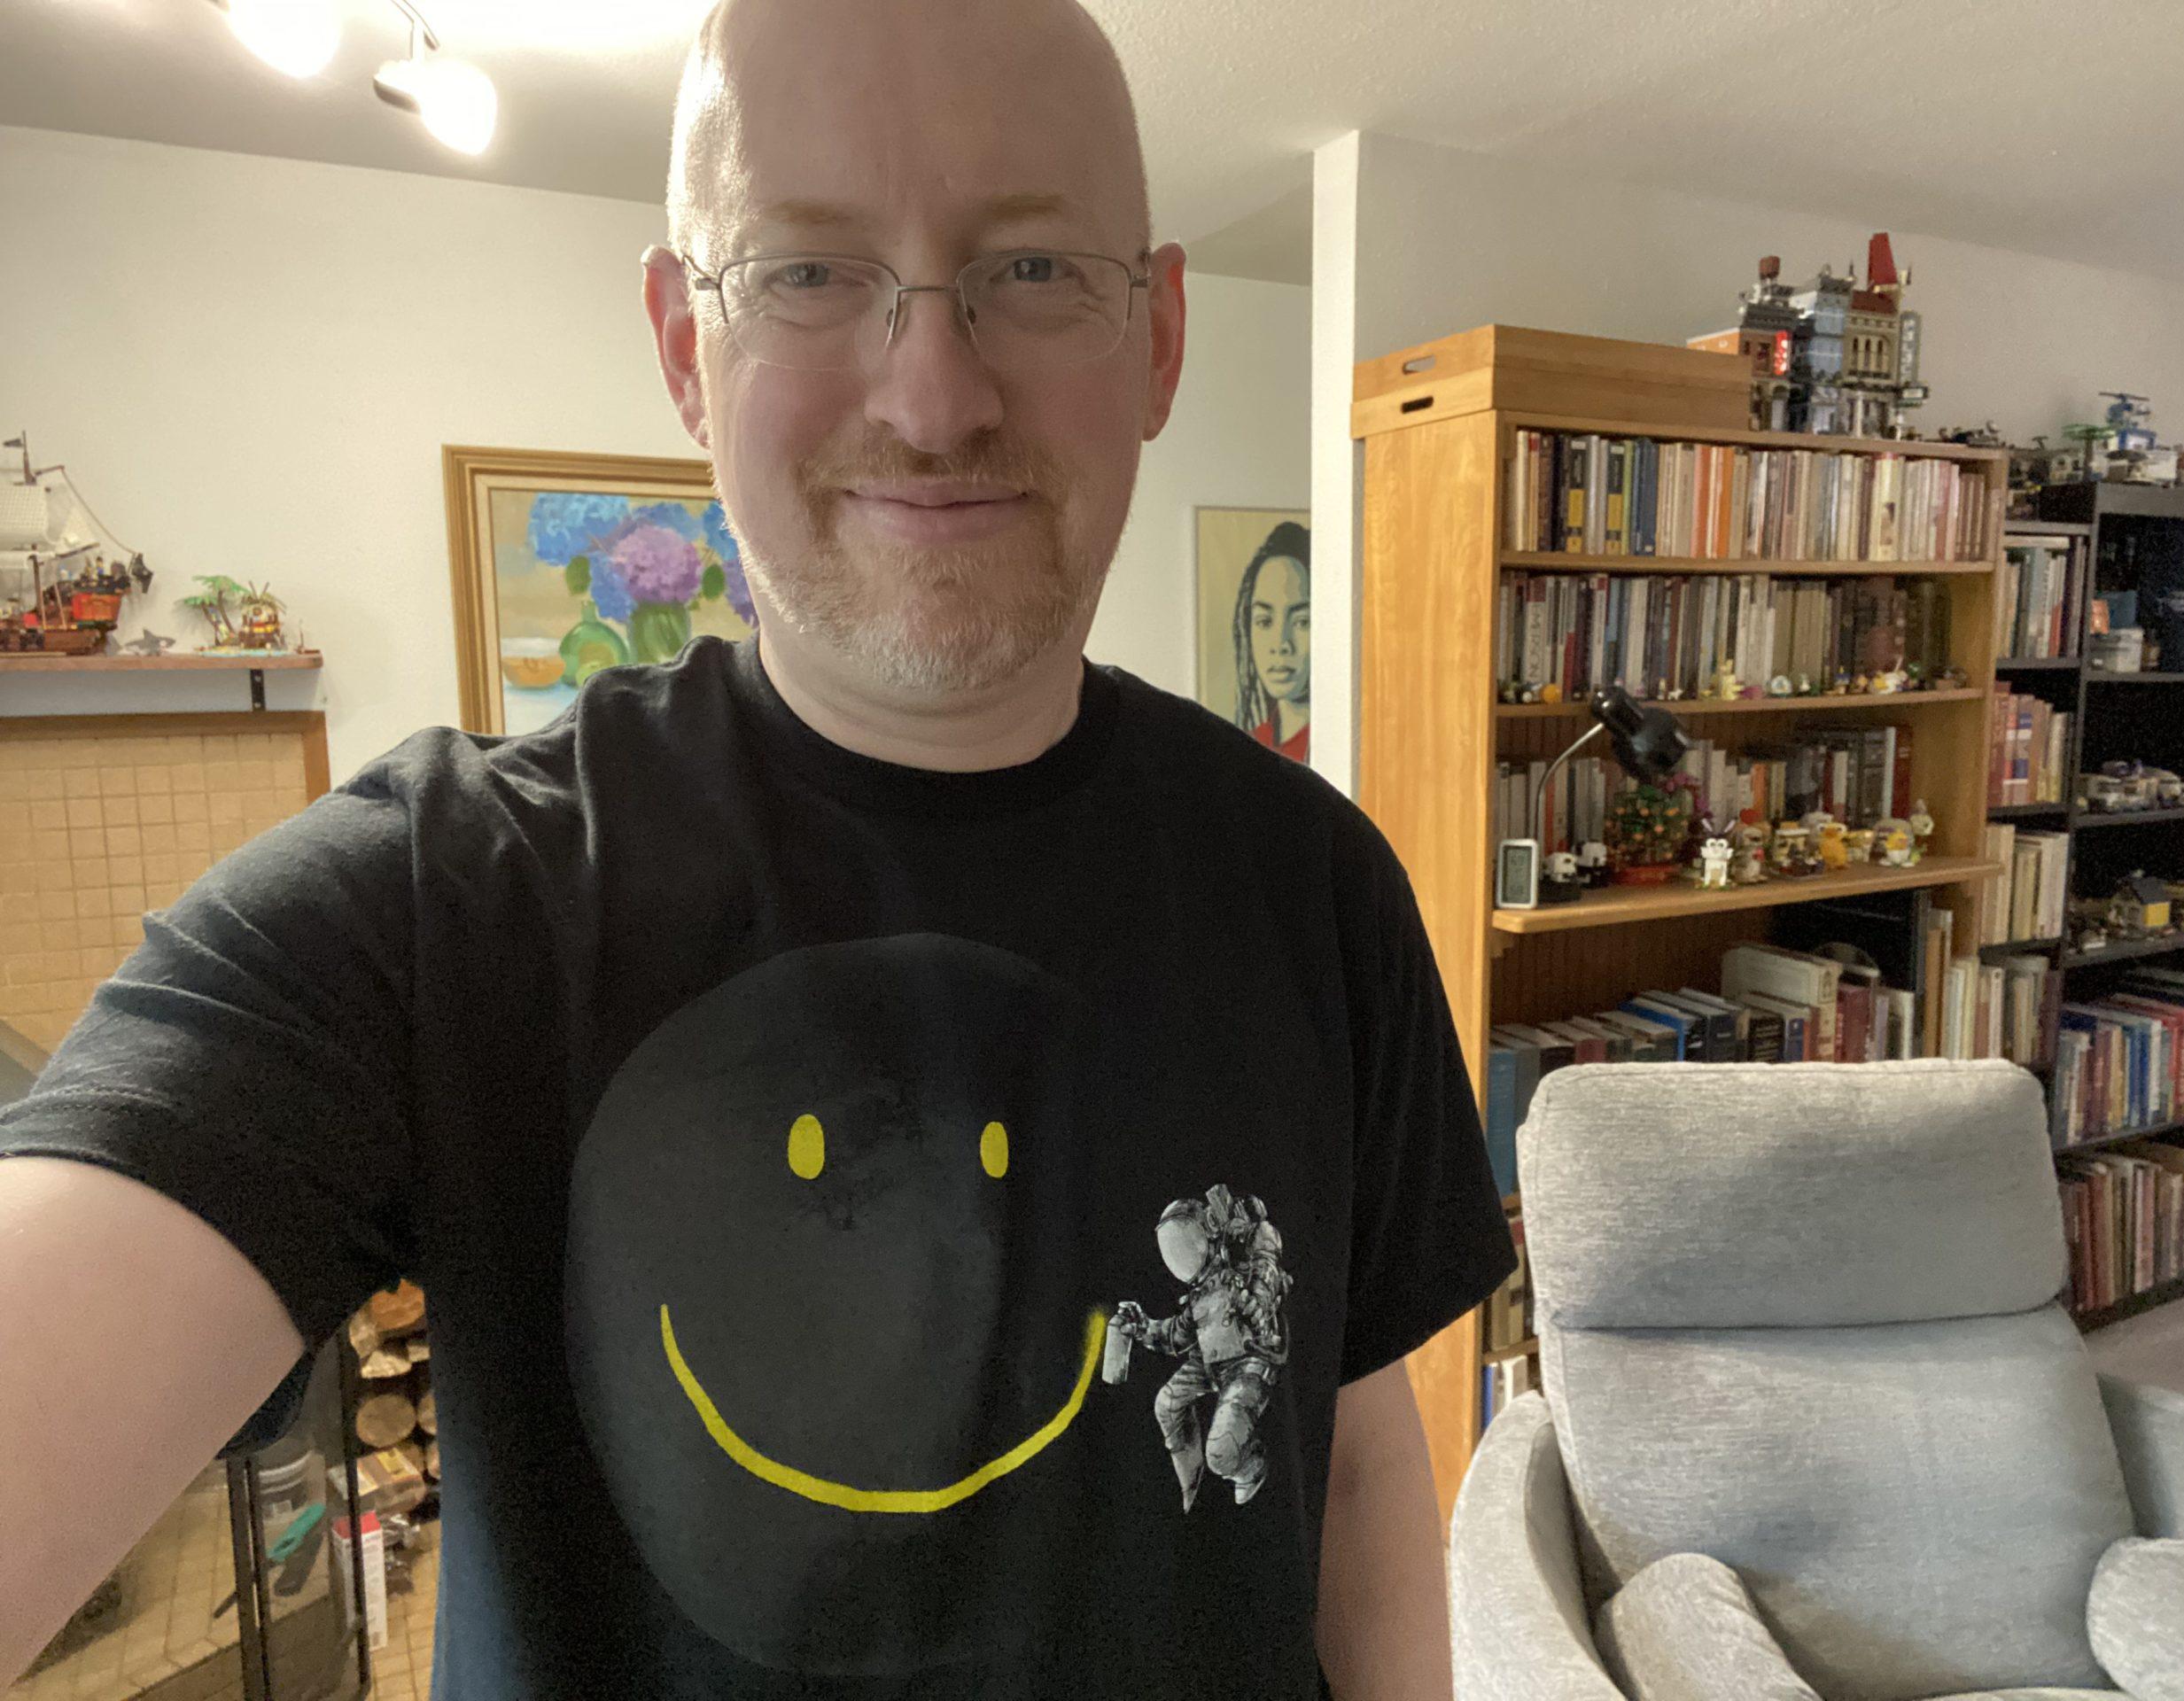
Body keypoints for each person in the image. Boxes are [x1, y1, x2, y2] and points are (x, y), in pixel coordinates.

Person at [0, 0, 1515, 1695]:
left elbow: (1356, 1444)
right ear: (681, 343)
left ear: (1158, 337)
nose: (934, 397)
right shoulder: (438, 908)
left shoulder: (1316, 885)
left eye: (1031, 272)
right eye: (807, 271)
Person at [1232, 519, 1312, 764]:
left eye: (1301, 622)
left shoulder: (1341, 746)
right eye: (1265, 621)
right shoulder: (1250, 745)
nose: (1281, 644)